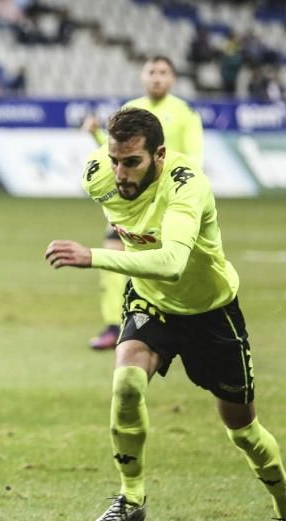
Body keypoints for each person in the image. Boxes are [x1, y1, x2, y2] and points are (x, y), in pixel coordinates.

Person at [46, 107, 286, 521]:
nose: (120, 173)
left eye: (131, 162)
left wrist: (93, 257)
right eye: (115, 160)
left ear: (158, 155)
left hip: (210, 310)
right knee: (126, 386)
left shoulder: (187, 185)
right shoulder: (98, 174)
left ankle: (284, 503)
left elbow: (173, 263)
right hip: (151, 301)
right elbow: (119, 204)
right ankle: (130, 496)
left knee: (244, 432)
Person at [82, 55, 203, 350]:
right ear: (142, 76)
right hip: (131, 201)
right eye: (152, 72)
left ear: (172, 78)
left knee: (173, 265)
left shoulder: (185, 113)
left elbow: (194, 160)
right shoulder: (131, 110)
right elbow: (113, 152)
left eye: (163, 72)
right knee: (112, 253)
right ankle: (114, 325)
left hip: (167, 201)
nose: (157, 78)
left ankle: (186, 324)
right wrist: (95, 133)